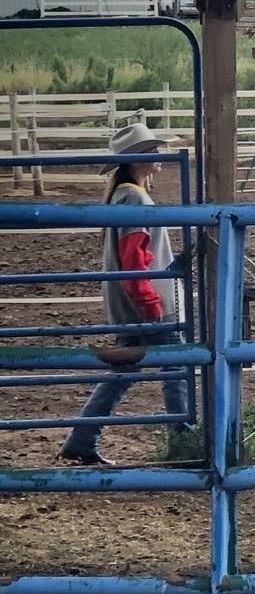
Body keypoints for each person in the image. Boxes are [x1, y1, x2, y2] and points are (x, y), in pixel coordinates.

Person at [59, 124, 189, 467]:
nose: (158, 156)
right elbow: (135, 257)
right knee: (178, 368)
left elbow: (139, 252)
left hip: (136, 301)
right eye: (151, 151)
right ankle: (185, 441)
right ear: (139, 159)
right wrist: (149, 300)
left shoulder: (125, 195)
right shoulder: (133, 197)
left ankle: (81, 440)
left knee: (124, 371)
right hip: (151, 304)